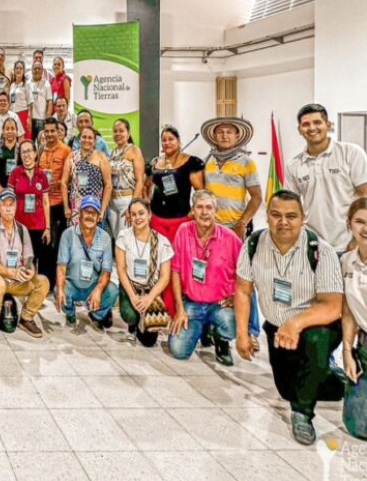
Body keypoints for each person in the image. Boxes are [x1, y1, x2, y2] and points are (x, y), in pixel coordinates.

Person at [235, 190, 345, 445]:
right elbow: (242, 290)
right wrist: (242, 333)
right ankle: (336, 381)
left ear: (303, 218)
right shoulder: (253, 244)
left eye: (291, 216)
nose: (283, 222)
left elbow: (332, 306)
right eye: (276, 215)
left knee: (314, 343)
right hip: (276, 327)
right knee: (287, 389)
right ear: (267, 216)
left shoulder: (321, 251)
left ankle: (303, 415)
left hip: (318, 325)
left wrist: (296, 323)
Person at [167, 191, 242, 364]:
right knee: (178, 350)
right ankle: (202, 327)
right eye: (199, 207)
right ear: (192, 211)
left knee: (232, 323)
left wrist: (235, 296)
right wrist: (180, 309)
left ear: (216, 211)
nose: (204, 212)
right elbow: (176, 271)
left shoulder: (230, 238)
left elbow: (248, 274)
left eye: (209, 207)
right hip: (193, 303)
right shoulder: (183, 231)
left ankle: (221, 338)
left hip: (220, 305)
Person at [285, 103, 367, 253]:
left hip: (348, 245)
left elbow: (365, 197)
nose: (311, 128)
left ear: (328, 125)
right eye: (306, 124)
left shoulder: (351, 153)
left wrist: (357, 239)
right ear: (299, 130)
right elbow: (291, 207)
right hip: (312, 246)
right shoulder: (293, 165)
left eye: (317, 122)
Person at [0, 188, 50, 339]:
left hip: (19, 279)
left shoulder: (22, 230)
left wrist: (30, 271)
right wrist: (12, 273)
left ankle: (26, 318)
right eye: (4, 204)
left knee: (43, 282)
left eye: (11, 204)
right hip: (0, 277)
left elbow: (28, 259)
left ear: (16, 207)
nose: (8, 208)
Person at [115, 197, 173, 347]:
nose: (137, 218)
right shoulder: (124, 236)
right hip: (131, 285)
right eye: (133, 214)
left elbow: (165, 277)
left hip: (150, 289)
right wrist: (133, 297)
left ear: (149, 215)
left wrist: (149, 298)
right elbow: (121, 269)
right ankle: (132, 326)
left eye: (141, 213)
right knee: (129, 315)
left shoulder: (162, 242)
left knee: (148, 342)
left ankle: (144, 324)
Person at [56, 195, 117, 331]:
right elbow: (61, 267)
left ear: (98, 216)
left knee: (112, 291)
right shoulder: (68, 235)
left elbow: (106, 271)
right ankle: (70, 314)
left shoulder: (105, 238)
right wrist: (60, 289)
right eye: (86, 211)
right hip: (72, 285)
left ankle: (96, 314)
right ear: (80, 213)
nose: (90, 216)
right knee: (60, 289)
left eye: (93, 212)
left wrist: (98, 290)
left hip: (92, 286)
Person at [201, 116, 262, 240]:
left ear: (237, 136)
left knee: (234, 260)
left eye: (229, 132)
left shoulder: (246, 162)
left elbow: (257, 197)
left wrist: (242, 224)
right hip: (209, 226)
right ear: (214, 136)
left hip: (234, 227)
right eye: (220, 132)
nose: (224, 136)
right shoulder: (206, 161)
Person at [149, 125, 204, 245]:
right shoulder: (156, 162)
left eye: (171, 139)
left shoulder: (191, 162)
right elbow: (146, 185)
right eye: (164, 140)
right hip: (156, 219)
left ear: (178, 141)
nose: (167, 142)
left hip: (181, 219)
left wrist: (195, 211)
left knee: (179, 257)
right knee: (158, 256)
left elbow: (201, 192)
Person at [8, 140, 53, 280]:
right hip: (20, 225)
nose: (26, 155)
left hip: (38, 225)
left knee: (39, 257)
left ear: (35, 154)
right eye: (23, 152)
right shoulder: (15, 173)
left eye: (29, 151)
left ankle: (40, 287)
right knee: (21, 257)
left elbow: (46, 202)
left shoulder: (42, 175)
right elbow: (9, 201)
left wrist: (47, 227)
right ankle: (21, 284)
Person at [341, 197, 367, 439]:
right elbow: (348, 309)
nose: (365, 229)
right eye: (360, 221)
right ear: (350, 224)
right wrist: (347, 351)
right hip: (364, 346)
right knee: (357, 426)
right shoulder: (346, 261)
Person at [62, 126, 112, 227]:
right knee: (76, 239)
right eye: (84, 137)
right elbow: (63, 182)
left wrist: (102, 210)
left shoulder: (100, 157)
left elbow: (108, 185)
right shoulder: (72, 156)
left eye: (90, 138)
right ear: (79, 139)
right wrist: (66, 207)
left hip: (94, 208)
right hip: (76, 209)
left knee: (94, 240)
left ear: (94, 141)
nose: (87, 140)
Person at [38, 118, 70, 264]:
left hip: (59, 203)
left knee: (58, 243)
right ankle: (46, 279)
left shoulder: (66, 151)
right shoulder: (41, 149)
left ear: (58, 132)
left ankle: (58, 278)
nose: (49, 134)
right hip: (43, 203)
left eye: (52, 131)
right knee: (45, 241)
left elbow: (69, 178)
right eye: (47, 131)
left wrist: (56, 184)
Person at [108, 118, 145, 237]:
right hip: (112, 202)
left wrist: (132, 206)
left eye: (121, 131)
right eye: (115, 131)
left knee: (125, 239)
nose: (117, 134)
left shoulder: (134, 150)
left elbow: (140, 181)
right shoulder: (113, 152)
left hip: (127, 200)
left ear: (128, 133)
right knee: (116, 237)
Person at [0, 118, 20, 210]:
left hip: (17, 196)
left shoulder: (21, 150)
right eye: (7, 128)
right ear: (3, 131)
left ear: (17, 131)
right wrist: (3, 192)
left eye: (12, 128)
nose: (10, 131)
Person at [28, 61, 53, 141]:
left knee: (41, 142)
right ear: (32, 70)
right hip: (30, 119)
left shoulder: (47, 84)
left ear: (42, 71)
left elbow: (49, 102)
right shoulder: (27, 83)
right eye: (35, 68)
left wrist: (48, 117)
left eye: (39, 68)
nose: (37, 70)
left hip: (41, 119)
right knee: (30, 141)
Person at [8, 61, 31, 139]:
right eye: (17, 68)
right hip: (12, 114)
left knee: (24, 138)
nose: (18, 70)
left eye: (20, 68)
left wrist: (29, 118)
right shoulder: (12, 85)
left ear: (23, 71)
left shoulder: (27, 84)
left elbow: (30, 102)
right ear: (14, 70)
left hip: (23, 114)